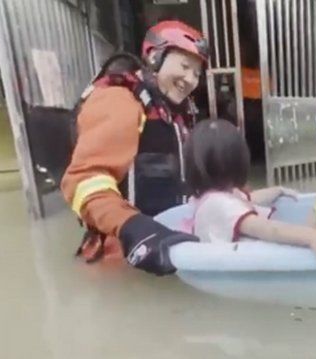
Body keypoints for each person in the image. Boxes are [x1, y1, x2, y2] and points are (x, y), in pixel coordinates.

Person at [60, 20, 210, 275]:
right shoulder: (119, 99)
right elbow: (83, 180)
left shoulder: (175, 114)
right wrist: (134, 228)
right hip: (122, 260)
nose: (191, 79)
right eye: (185, 66)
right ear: (154, 57)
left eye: (197, 73)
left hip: (170, 248)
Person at [183, 119, 316, 270]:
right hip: (236, 267)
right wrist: (314, 237)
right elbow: (269, 230)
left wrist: (278, 190)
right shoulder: (218, 204)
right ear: (240, 162)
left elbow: (250, 199)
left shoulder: (216, 196)